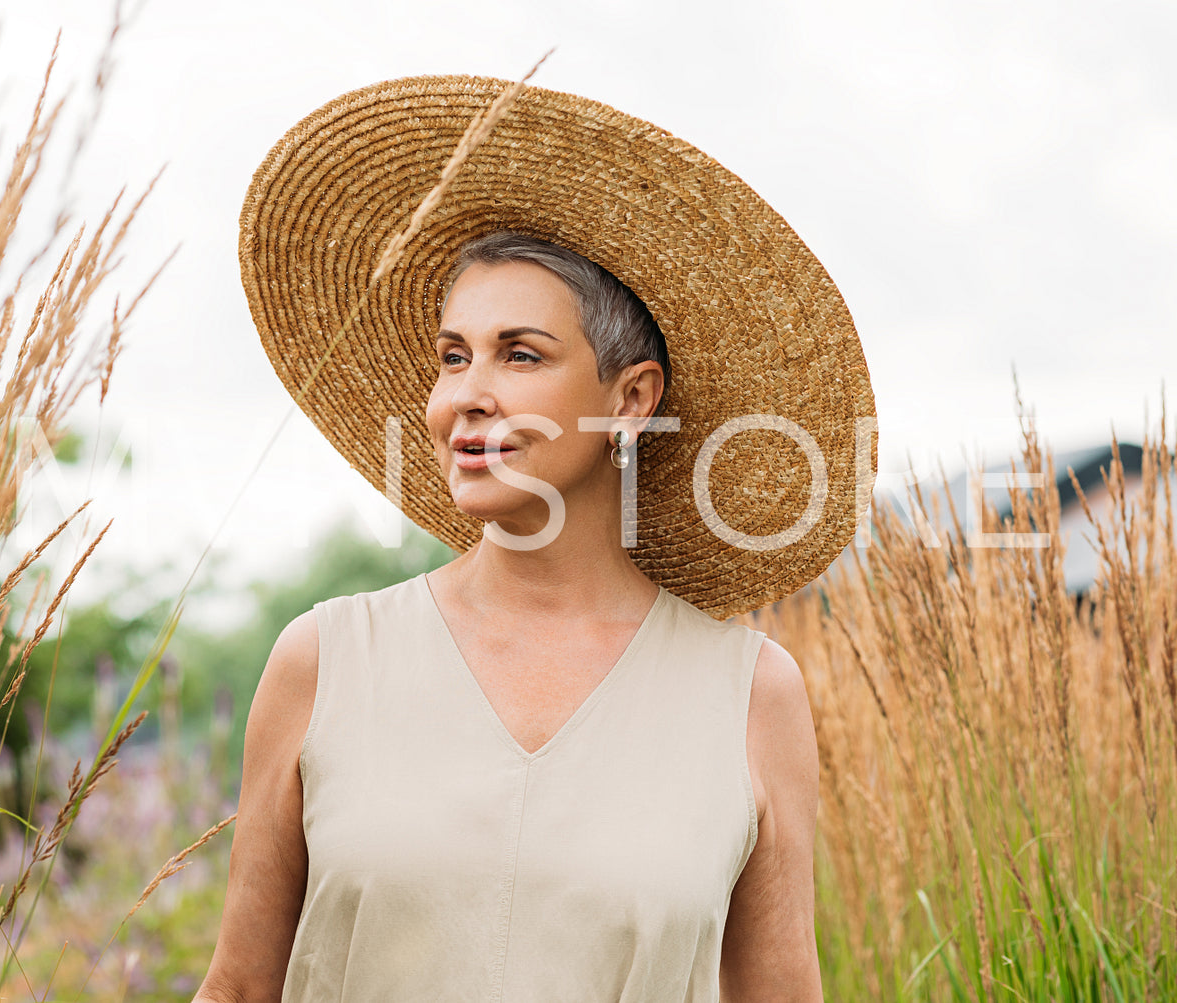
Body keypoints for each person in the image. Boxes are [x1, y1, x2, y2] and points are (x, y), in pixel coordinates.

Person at [195, 75, 876, 1002]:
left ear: (629, 400)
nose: (466, 392)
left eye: (520, 354)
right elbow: (237, 990)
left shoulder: (750, 696)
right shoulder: (324, 660)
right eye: (451, 355)